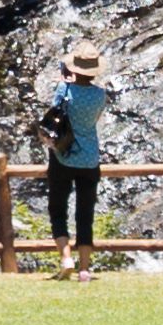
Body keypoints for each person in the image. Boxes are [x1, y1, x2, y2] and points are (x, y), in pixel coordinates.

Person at [42, 43, 109, 277]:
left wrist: (65, 82)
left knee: (57, 209)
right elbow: (93, 120)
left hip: (63, 155)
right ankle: (85, 268)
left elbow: (54, 115)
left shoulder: (64, 89)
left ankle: (66, 258)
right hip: (90, 159)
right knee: (85, 214)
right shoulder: (100, 94)